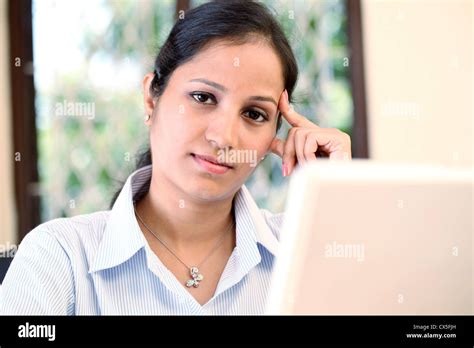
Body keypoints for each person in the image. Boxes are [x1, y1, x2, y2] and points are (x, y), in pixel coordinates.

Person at [1, 0, 351, 315]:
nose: (224, 137)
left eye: (254, 114)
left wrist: (340, 203)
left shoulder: (305, 251)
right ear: (151, 100)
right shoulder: (60, 256)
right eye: (203, 97)